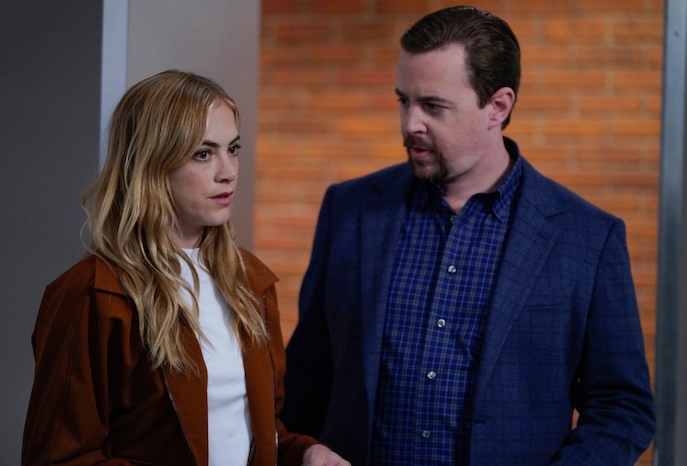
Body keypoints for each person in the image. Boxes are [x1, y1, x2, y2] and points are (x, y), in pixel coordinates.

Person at [280, 6, 655, 466]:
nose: (410, 124)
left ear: (498, 106)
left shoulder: (588, 238)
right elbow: (305, 377)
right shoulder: (350, 210)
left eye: (433, 106)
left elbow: (622, 408)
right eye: (403, 101)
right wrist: (302, 450)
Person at [22, 70, 349, 466]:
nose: (228, 171)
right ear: (151, 163)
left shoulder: (251, 282)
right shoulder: (93, 293)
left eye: (233, 149)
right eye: (203, 154)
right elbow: (60, 456)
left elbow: (254, 432)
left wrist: (305, 452)